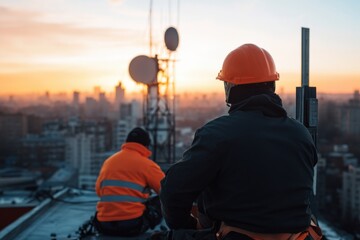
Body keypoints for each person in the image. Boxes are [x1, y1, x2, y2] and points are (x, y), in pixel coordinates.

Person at [159, 44, 322, 240]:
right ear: (273, 85)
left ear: (230, 88)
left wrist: (187, 227)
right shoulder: (301, 134)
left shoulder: (217, 134)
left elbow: (173, 190)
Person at [94, 127, 165, 236]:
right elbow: (167, 191)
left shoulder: (108, 162)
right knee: (160, 201)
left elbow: (99, 191)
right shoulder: (147, 164)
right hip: (132, 225)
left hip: (104, 225)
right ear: (146, 146)